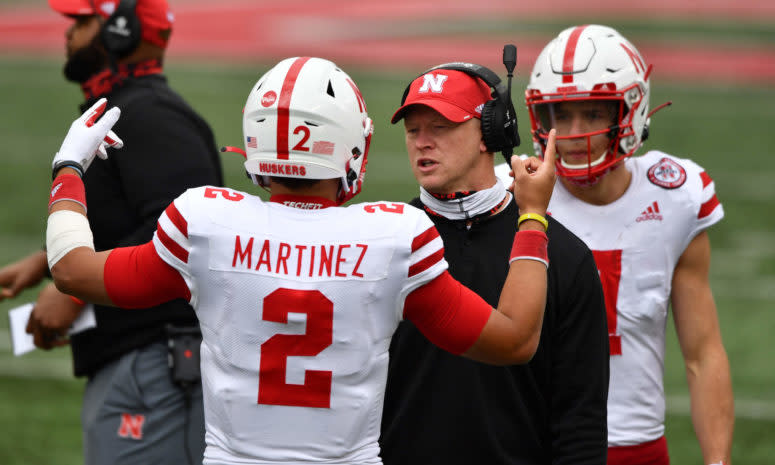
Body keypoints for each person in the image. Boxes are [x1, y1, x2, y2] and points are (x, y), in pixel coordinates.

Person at [43, 56, 558, 464]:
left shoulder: (206, 223)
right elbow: (514, 340)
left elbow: (71, 269)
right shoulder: (394, 236)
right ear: (351, 144)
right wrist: (532, 215)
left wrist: (68, 167)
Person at [495, 24, 734, 465]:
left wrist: (718, 461)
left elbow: (702, 353)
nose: (573, 132)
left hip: (637, 446)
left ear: (630, 111)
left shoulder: (675, 195)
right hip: (533, 441)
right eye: (560, 115)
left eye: (593, 114)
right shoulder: (508, 193)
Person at [0, 0, 223, 463]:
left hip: (155, 364)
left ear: (122, 29)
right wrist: (47, 262)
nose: (69, 34)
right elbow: (132, 216)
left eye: (83, 22)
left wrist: (74, 292)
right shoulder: (132, 110)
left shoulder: (151, 115)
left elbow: (185, 233)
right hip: (143, 360)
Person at [380, 62, 610, 464]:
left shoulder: (566, 256)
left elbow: (580, 422)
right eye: (413, 129)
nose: (422, 142)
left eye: (441, 126)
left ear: (490, 133)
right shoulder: (382, 245)